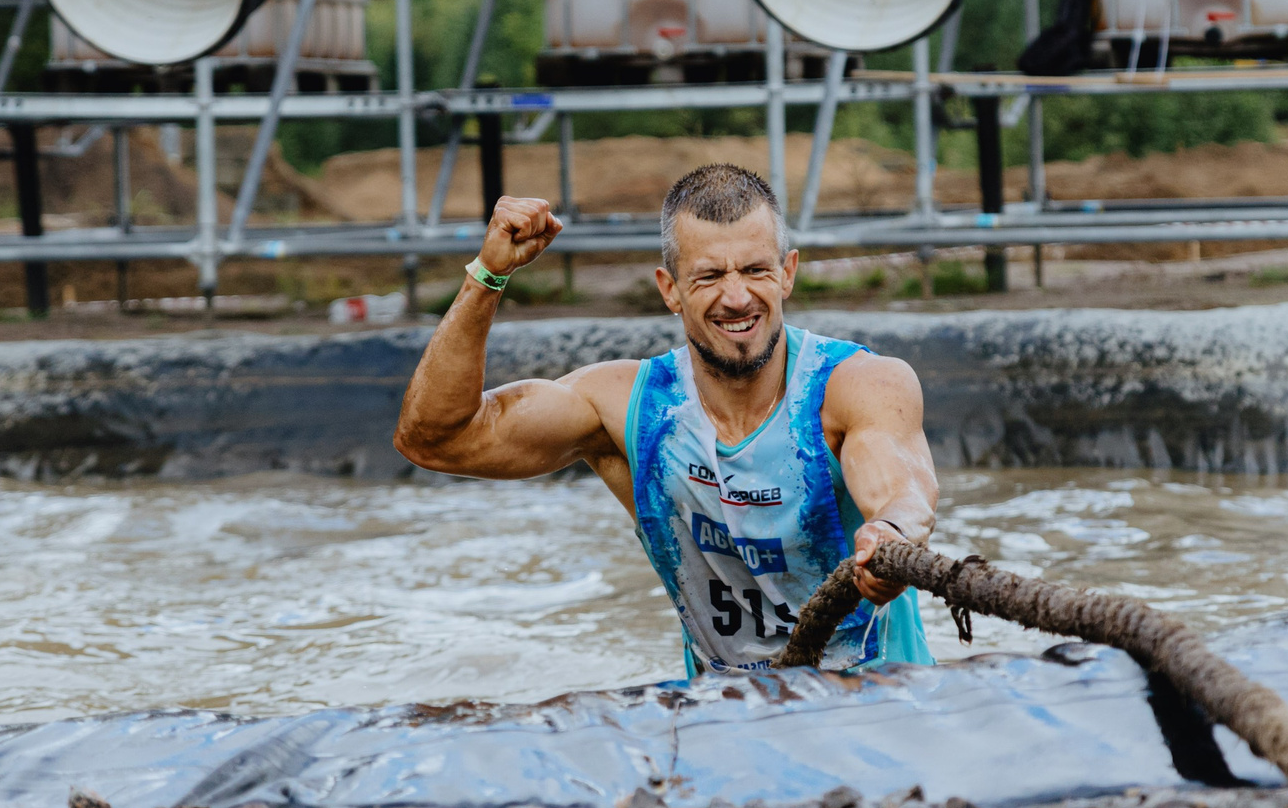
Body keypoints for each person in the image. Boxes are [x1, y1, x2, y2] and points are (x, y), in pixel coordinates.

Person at [394, 164, 938, 676]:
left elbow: (903, 492)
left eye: (755, 270)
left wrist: (890, 533)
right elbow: (437, 441)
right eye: (708, 277)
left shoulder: (858, 385)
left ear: (787, 273)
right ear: (669, 289)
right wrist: (486, 276)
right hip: (727, 717)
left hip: (881, 705)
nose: (736, 297)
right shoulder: (623, 408)